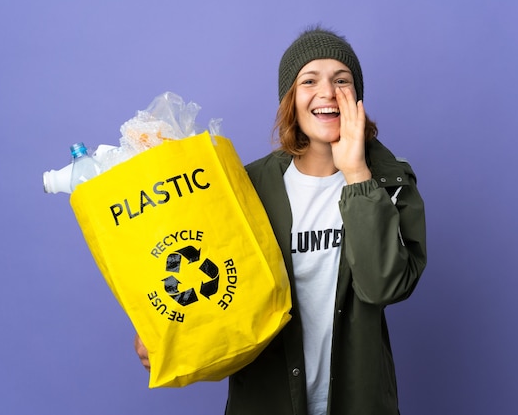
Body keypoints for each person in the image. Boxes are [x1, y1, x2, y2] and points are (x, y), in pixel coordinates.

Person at [135, 26, 427, 415]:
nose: (327, 92)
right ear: (290, 98)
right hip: (265, 398)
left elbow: (385, 286)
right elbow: (214, 275)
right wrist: (163, 328)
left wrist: (357, 175)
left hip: (360, 400)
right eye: (310, 80)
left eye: (342, 80)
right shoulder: (248, 184)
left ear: (357, 99)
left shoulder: (390, 179)